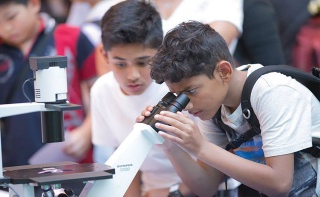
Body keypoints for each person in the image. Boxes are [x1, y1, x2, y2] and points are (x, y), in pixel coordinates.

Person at [137, 21, 320, 196]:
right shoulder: (215, 107)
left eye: (191, 91)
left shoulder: (272, 91)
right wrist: (170, 144)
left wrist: (201, 147)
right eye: (178, 96)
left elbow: (280, 184)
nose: (187, 105)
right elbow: (207, 187)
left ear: (224, 71)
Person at [0, 0, 96, 174]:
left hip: (72, 156)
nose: (5, 28)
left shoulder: (72, 36)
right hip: (15, 164)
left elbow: (100, 90)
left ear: (34, 4)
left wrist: (87, 131)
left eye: (11, 17)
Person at [90, 1, 194, 196]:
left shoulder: (181, 86)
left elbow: (214, 158)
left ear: (161, 50)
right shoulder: (101, 91)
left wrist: (174, 192)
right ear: (104, 55)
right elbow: (127, 164)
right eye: (121, 64)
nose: (133, 75)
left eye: (143, 62)